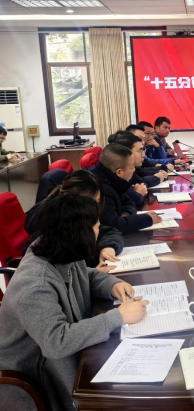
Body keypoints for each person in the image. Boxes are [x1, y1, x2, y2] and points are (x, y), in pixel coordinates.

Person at [0, 194, 149, 411]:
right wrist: (118, 317)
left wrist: (111, 284)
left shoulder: (62, 247)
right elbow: (56, 342)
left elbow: (85, 274)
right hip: (39, 379)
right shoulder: (35, 284)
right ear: (81, 233)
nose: (99, 230)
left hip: (66, 359)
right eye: (96, 226)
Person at [25, 170, 124, 271]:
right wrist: (93, 275)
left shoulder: (73, 220)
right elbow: (67, 275)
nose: (95, 208)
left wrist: (108, 247)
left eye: (97, 202)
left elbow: (109, 232)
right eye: (90, 203)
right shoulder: (53, 232)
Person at [90, 144, 162, 234]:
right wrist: (147, 218)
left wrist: (126, 214)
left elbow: (129, 201)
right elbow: (113, 226)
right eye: (132, 166)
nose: (134, 170)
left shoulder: (112, 177)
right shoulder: (100, 188)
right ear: (119, 172)